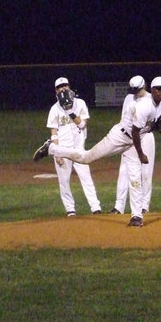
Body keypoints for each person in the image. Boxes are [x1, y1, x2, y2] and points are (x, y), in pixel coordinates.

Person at [33, 76, 161, 227]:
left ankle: (136, 216)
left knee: (135, 177)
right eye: (158, 90)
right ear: (151, 89)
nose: (160, 92)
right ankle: (51, 148)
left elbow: (158, 118)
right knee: (86, 158)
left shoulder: (158, 104)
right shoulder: (143, 105)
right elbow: (136, 131)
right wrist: (141, 153)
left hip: (133, 142)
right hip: (120, 137)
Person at [109, 76, 161, 215]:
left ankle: (144, 206)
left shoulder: (153, 100)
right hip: (129, 137)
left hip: (146, 137)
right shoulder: (129, 98)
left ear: (145, 86)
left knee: (146, 172)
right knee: (124, 170)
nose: (135, 91)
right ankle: (119, 206)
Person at [44, 77, 102, 217]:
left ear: (70, 87)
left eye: (65, 86)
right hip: (63, 150)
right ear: (56, 91)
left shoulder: (80, 103)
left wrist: (69, 110)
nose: (63, 89)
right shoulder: (54, 109)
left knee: (86, 178)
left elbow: (82, 125)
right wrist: (57, 153)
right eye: (59, 87)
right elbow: (54, 132)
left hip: (79, 150)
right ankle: (70, 209)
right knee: (64, 181)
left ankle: (95, 207)